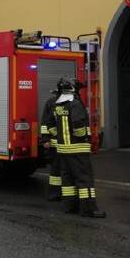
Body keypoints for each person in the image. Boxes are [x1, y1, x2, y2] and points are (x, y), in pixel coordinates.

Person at [47, 77, 106, 218]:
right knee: (84, 179)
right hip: (77, 149)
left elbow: (50, 124)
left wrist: (60, 139)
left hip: (63, 150)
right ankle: (89, 209)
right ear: (72, 88)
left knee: (68, 180)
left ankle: (70, 206)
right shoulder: (75, 104)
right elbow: (78, 124)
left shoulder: (58, 105)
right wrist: (83, 136)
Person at [40, 88, 61, 201]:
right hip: (56, 144)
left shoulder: (73, 102)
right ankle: (55, 194)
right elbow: (45, 123)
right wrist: (46, 139)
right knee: (56, 171)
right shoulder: (51, 103)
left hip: (65, 145)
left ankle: (65, 195)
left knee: (62, 170)